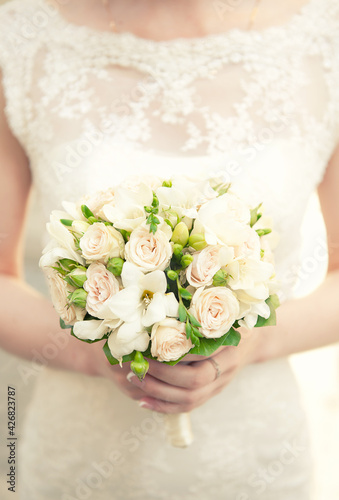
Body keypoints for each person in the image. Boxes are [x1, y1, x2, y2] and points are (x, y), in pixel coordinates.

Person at [0, 0, 339, 498]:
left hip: (255, 457)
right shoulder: (22, 33)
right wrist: (94, 354)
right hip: (79, 462)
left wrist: (256, 342)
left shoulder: (324, 37)